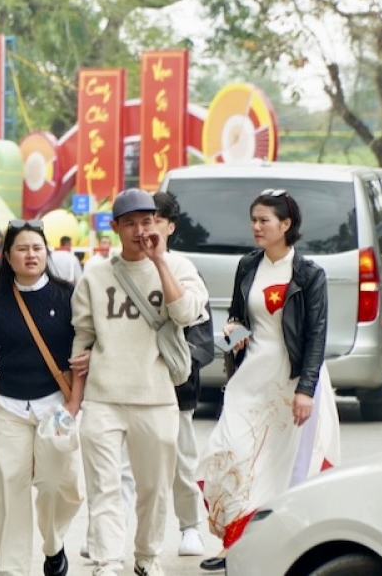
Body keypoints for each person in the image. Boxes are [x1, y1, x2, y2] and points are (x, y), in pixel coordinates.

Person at [198, 189, 342, 572]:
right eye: (254, 219)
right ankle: (231, 537)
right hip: (251, 377)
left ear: (286, 224)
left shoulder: (310, 274)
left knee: (277, 467)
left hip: (291, 379)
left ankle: (244, 549)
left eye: (264, 220)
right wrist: (232, 328)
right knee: (230, 451)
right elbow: (237, 315)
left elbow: (316, 337)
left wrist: (305, 390)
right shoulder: (248, 266)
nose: (256, 227)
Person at [72, 188, 209, 576]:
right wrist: (74, 399)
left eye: (146, 222)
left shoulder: (180, 268)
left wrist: (160, 262)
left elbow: (185, 314)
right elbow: (82, 336)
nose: (139, 231)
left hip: (157, 398)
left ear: (159, 224)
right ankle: (106, 561)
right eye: (129, 223)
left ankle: (147, 557)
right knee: (104, 488)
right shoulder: (95, 276)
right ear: (115, 228)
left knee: (153, 491)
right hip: (103, 398)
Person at [0, 220, 83, 576]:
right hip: (10, 408)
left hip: (56, 409)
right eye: (22, 249)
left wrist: (75, 402)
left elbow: (84, 349)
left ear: (46, 252)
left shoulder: (67, 295)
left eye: (37, 248)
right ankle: (11, 569)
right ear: (8, 257)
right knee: (9, 491)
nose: (31, 255)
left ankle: (53, 541)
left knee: (61, 486)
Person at [154, 191, 208, 558]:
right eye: (140, 220)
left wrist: (182, 366)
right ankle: (110, 531)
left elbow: (199, 328)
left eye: (156, 220)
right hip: (128, 385)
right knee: (122, 465)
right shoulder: (115, 267)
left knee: (181, 461)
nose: (148, 228)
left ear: (171, 226)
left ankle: (190, 527)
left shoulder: (184, 268)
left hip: (175, 386)